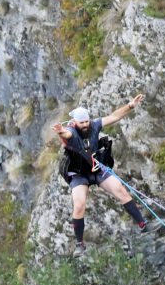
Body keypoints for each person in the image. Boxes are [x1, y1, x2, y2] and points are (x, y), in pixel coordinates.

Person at [52, 94, 148, 258]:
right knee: (79, 205)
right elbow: (66, 135)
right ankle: (80, 244)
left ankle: (142, 224)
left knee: (120, 190)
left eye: (86, 121)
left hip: (96, 169)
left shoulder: (94, 125)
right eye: (81, 122)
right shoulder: (71, 131)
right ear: (74, 122)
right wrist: (61, 132)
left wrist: (130, 106)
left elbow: (114, 116)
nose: (84, 124)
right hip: (79, 175)